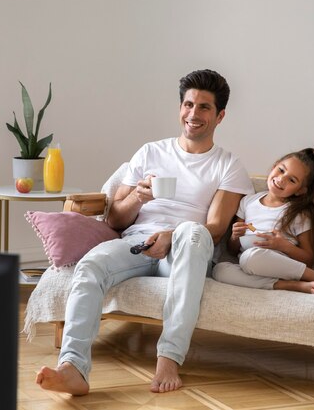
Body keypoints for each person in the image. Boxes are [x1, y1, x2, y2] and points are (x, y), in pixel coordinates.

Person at [36, 69, 255, 395]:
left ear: (220, 115)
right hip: (137, 243)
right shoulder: (151, 152)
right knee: (91, 265)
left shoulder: (228, 165)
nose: (193, 114)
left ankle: (169, 357)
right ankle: (73, 368)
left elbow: (216, 229)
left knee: (193, 233)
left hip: (187, 250)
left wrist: (172, 233)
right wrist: (139, 196)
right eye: (188, 105)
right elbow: (115, 221)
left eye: (204, 107)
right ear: (180, 107)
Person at [212, 148, 314, 294]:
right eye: (281, 170)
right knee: (219, 270)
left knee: (250, 258)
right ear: (274, 166)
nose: (281, 179)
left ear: (300, 190)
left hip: (273, 263)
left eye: (292, 180)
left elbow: (308, 259)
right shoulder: (248, 202)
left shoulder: (298, 213)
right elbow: (232, 250)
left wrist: (283, 246)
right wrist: (235, 237)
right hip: (249, 264)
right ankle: (288, 285)